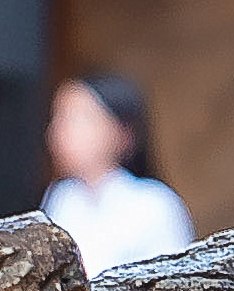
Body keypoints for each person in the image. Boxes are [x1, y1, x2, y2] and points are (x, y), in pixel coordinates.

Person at [41, 73, 195, 274]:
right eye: (59, 118)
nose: (60, 132)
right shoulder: (62, 196)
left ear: (123, 132)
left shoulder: (156, 205)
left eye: (80, 119)